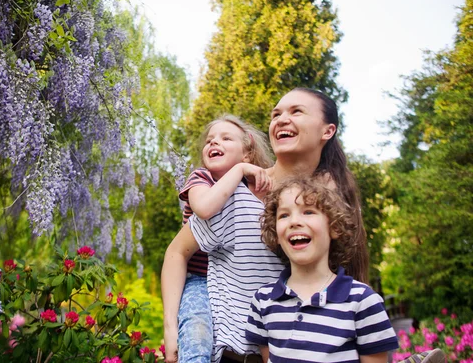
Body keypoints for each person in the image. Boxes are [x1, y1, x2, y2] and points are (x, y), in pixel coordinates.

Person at [162, 87, 369, 363]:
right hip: (234, 354)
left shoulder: (333, 203)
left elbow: (343, 292)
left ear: (327, 131)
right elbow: (177, 252)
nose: (281, 119)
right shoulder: (235, 195)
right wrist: (171, 329)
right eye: (276, 114)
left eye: (296, 111)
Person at [246, 177, 399, 363]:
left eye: (308, 211)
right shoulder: (263, 300)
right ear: (276, 233)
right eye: (284, 215)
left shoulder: (363, 301)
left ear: (333, 227)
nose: (294, 221)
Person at [174, 114, 275, 363]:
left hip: (232, 283)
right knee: (196, 335)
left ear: (248, 154)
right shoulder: (201, 178)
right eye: (209, 140)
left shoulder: (248, 192)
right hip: (200, 279)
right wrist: (240, 169)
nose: (213, 143)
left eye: (225, 138)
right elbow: (206, 207)